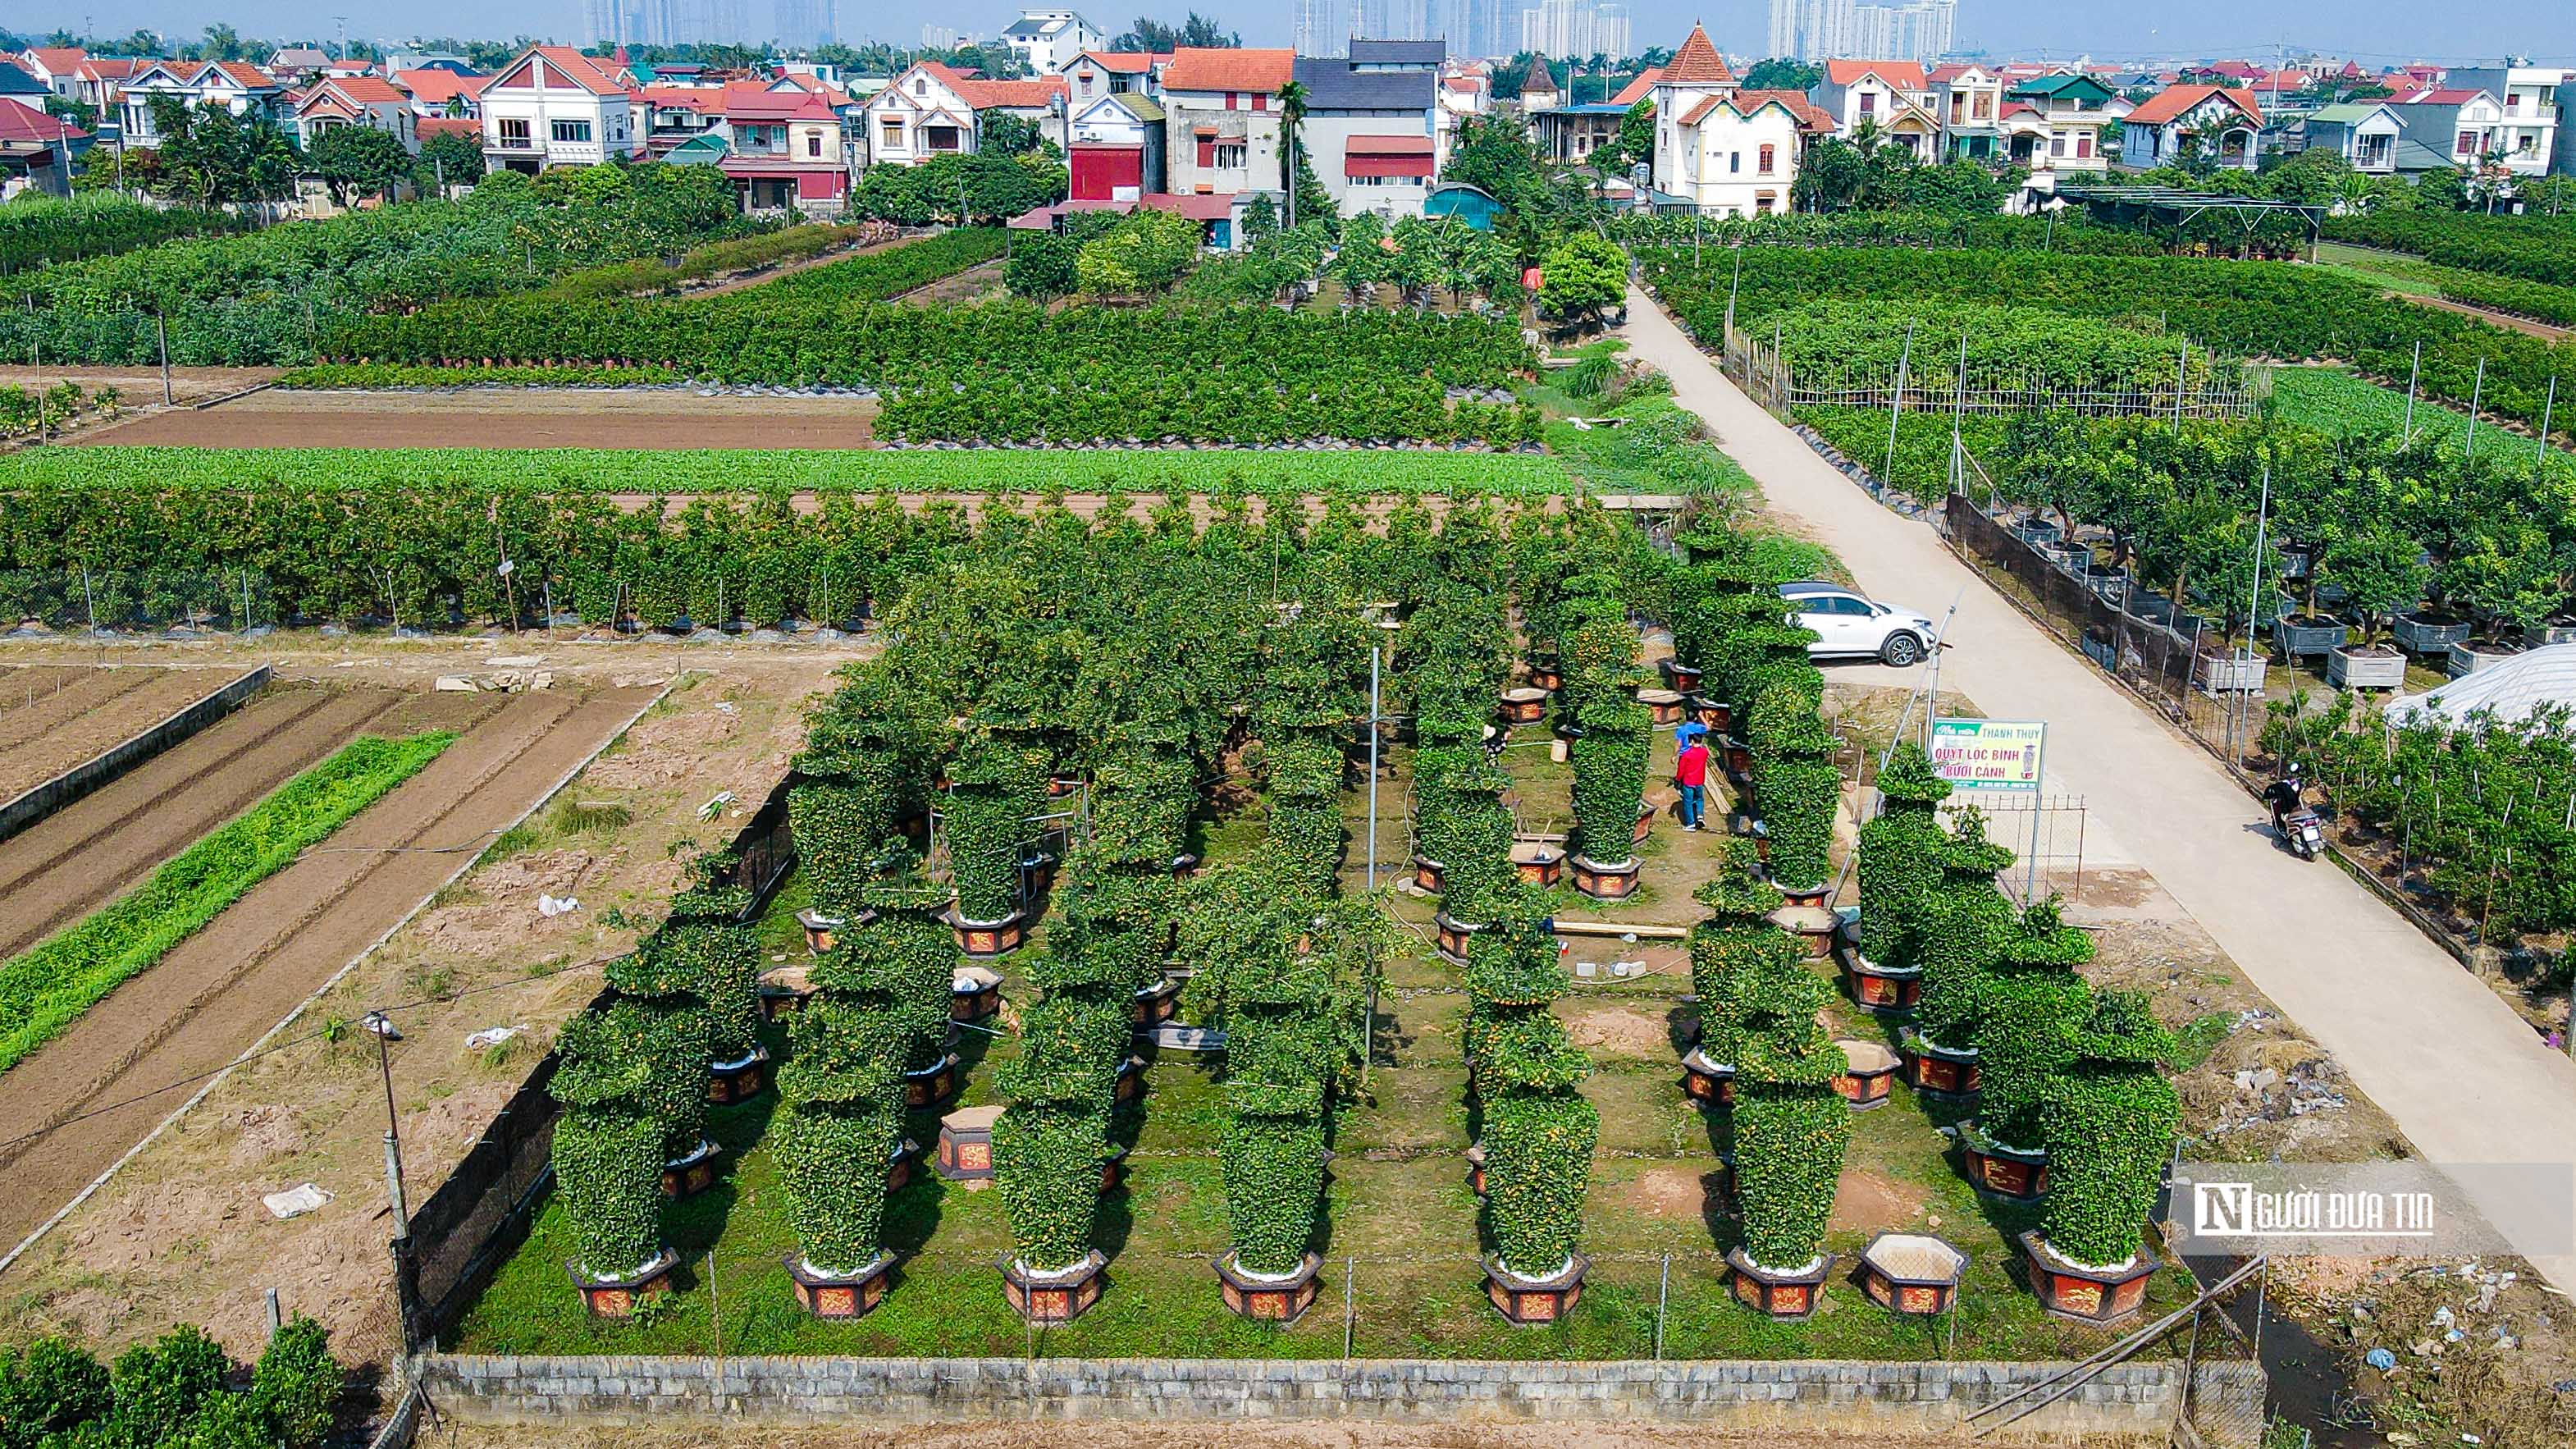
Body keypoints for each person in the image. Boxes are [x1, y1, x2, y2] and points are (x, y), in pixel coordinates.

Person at [1674, 727, 1712, 832]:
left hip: (1688, 782)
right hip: (1700, 781)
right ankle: (1700, 816)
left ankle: (1690, 824)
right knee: (1699, 799)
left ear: (1691, 741)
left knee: (1688, 802)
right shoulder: (1705, 752)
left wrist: (1678, 780)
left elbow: (1681, 770)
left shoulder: (1686, 755)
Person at [2262, 764, 2304, 835]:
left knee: (2285, 816)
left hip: (2290, 808)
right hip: (2298, 807)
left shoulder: (2284, 785)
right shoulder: (2297, 784)